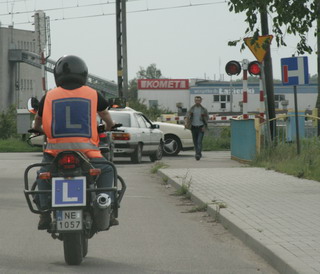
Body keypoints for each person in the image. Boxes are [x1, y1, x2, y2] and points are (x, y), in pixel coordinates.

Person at [32, 55, 117, 230]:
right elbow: (106, 115)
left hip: (55, 154)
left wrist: (40, 130)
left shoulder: (48, 96)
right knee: (107, 169)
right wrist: (110, 126)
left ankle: (44, 212)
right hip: (87, 153)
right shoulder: (93, 93)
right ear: (83, 73)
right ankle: (104, 203)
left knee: (42, 175)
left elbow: (37, 122)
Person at [185, 96, 208, 161]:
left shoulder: (204, 109)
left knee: (199, 141)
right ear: (194, 101)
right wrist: (186, 123)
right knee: (195, 142)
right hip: (193, 127)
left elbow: (206, 119)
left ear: (201, 101)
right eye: (196, 100)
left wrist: (204, 126)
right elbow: (187, 116)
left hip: (201, 127)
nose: (197, 102)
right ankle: (198, 153)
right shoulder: (192, 109)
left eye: (198, 100)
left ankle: (197, 154)